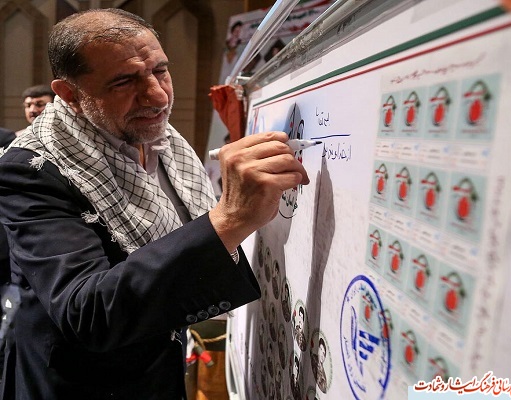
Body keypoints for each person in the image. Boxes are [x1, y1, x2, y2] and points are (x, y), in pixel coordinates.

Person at [0, 8, 308, 400]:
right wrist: (227, 220)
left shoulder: (161, 138)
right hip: (85, 385)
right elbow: (87, 312)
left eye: (160, 70)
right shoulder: (30, 168)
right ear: (70, 94)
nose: (158, 95)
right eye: (124, 81)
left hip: (161, 369)